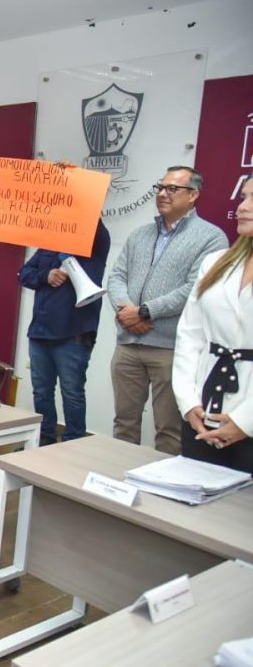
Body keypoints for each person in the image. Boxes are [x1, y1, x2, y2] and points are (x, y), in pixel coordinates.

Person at [106, 166, 229, 454]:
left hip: (171, 349)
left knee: (169, 429)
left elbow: (195, 289)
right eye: (160, 187)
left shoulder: (211, 238)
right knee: (124, 423)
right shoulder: (140, 235)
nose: (162, 194)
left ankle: (160, 483)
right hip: (128, 345)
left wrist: (145, 312)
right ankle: (115, 479)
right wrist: (127, 313)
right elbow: (117, 277)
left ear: (193, 195)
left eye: (172, 189)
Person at [172, 176, 253, 472]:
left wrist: (245, 422)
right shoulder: (216, 262)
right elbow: (190, 336)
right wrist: (188, 402)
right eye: (243, 198)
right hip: (202, 411)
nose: (242, 207)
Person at [19, 220, 111, 445]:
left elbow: (93, 222)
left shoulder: (97, 238)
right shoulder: (52, 240)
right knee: (41, 392)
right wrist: (46, 276)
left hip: (74, 333)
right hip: (40, 331)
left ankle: (74, 444)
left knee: (72, 393)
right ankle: (44, 440)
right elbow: (24, 273)